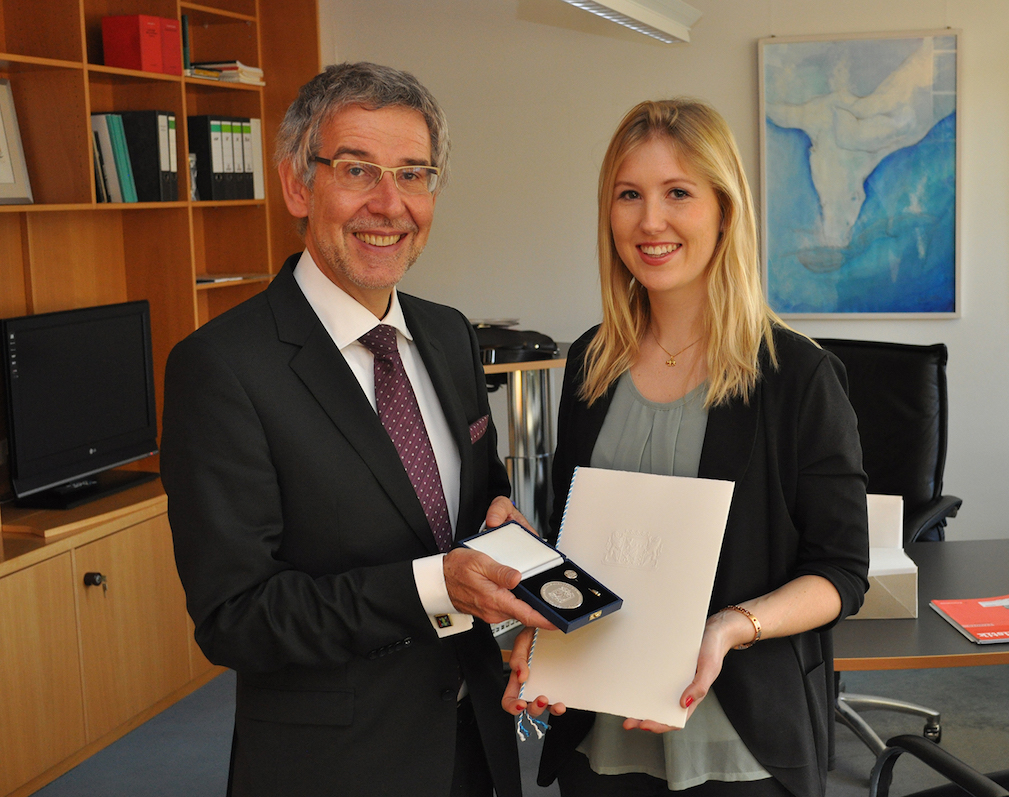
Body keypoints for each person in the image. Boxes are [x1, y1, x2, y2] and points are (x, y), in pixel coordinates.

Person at [161, 62, 553, 797]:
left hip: (474, 744)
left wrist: (502, 529)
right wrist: (436, 586)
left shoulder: (448, 334)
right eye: (357, 170)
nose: (389, 203)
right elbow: (235, 615)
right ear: (296, 186)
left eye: (413, 173)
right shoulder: (221, 368)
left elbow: (477, 493)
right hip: (335, 767)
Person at [503, 99, 871, 796]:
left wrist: (731, 627)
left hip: (738, 739)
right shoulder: (591, 363)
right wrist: (544, 629)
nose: (650, 221)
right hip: (600, 726)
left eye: (678, 193)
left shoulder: (797, 377)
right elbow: (570, 543)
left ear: (724, 210)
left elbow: (842, 570)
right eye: (629, 195)